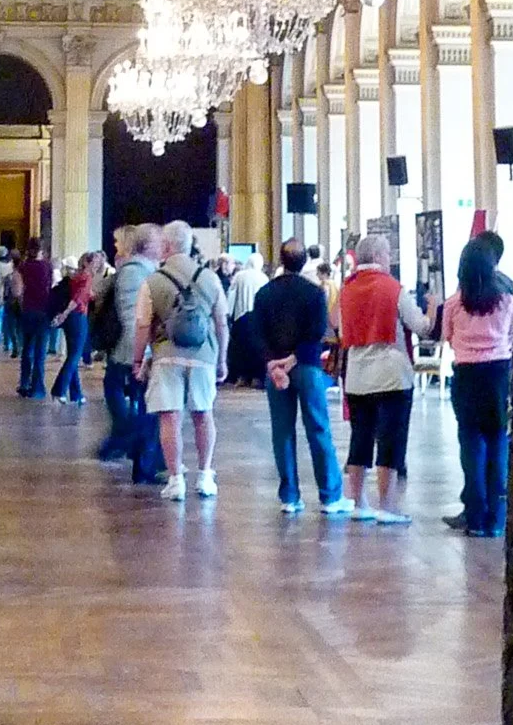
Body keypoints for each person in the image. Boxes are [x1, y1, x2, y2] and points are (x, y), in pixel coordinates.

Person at [132, 220, 228, 502]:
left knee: (170, 416)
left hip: (166, 356)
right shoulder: (210, 278)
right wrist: (221, 359)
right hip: (204, 356)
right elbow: (221, 322)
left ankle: (176, 480)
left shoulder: (152, 281)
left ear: (167, 246)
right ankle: (206, 475)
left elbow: (142, 325)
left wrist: (138, 360)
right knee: (203, 414)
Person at [253, 238, 350, 516]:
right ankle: (331, 496)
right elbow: (318, 331)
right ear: (304, 261)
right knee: (318, 427)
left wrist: (273, 363)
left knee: (282, 432)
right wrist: (294, 358)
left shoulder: (265, 293)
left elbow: (256, 333)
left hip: (275, 371)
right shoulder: (313, 293)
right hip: (306, 366)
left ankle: (290, 496)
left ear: (281, 261)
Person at [337, 231, 428, 524]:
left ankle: (359, 501)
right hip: (391, 374)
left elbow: (336, 324)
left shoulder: (346, 289)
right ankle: (387, 507)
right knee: (390, 439)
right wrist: (435, 308)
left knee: (360, 438)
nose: (390, 258)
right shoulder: (393, 288)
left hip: (357, 375)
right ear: (378, 257)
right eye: (388, 253)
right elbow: (420, 326)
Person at [438, 234, 513, 536]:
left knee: (470, 446)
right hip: (498, 375)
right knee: (498, 443)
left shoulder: (453, 304)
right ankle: (497, 519)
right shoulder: (507, 301)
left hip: (467, 376)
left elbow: (446, 337)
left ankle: (475, 517)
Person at [97, 224, 164, 481]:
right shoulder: (135, 272)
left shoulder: (139, 270)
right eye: (159, 242)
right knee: (148, 409)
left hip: (132, 351)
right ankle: (133, 450)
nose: (163, 246)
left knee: (148, 407)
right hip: (131, 352)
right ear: (147, 246)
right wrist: (143, 354)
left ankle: (142, 459)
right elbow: (133, 317)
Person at [50, 252, 95, 405]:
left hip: (70, 319)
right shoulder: (87, 277)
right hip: (78, 316)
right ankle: (59, 390)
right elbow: (78, 298)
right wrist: (65, 313)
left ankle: (77, 394)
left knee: (72, 355)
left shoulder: (75, 276)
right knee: (75, 356)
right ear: (89, 263)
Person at [15, 239, 55, 396]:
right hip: (44, 310)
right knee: (40, 351)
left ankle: (24, 383)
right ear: (41, 250)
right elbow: (51, 286)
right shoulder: (48, 266)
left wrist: (21, 303)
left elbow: (17, 291)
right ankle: (38, 387)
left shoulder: (23, 267)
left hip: (28, 310)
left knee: (27, 348)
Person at [225, 247, 269, 388]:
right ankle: (256, 378)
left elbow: (232, 296)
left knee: (240, 350)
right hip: (258, 319)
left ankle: (242, 377)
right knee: (256, 350)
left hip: (240, 318)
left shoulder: (240, 276)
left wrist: (229, 314)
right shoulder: (264, 278)